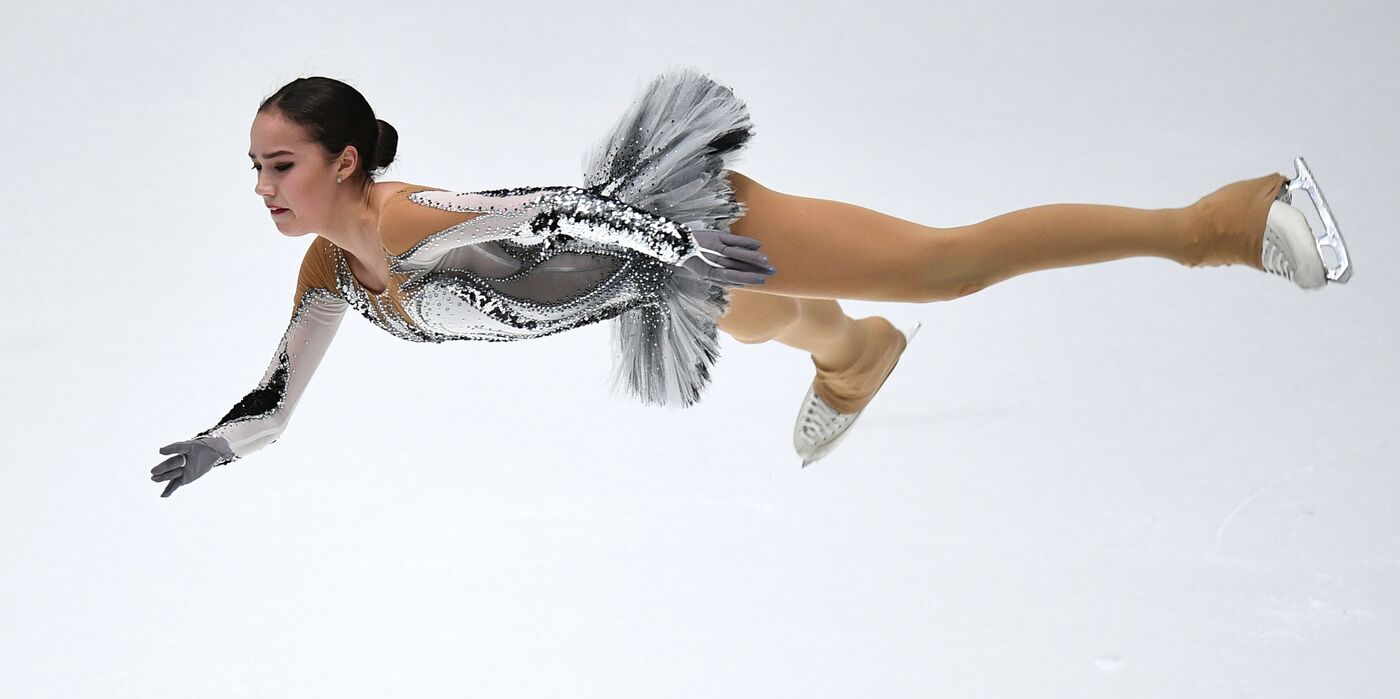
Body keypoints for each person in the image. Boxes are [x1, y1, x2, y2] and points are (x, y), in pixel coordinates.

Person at [151, 68, 1350, 497]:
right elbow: (276, 394)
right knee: (774, 324)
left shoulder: (405, 219)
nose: (263, 187)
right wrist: (224, 440)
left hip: (689, 230)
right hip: (642, 284)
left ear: (345, 161)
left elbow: (560, 209)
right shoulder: (329, 269)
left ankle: (1225, 221)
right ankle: (853, 353)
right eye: (255, 169)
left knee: (945, 260)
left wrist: (691, 252)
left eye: (280, 166)